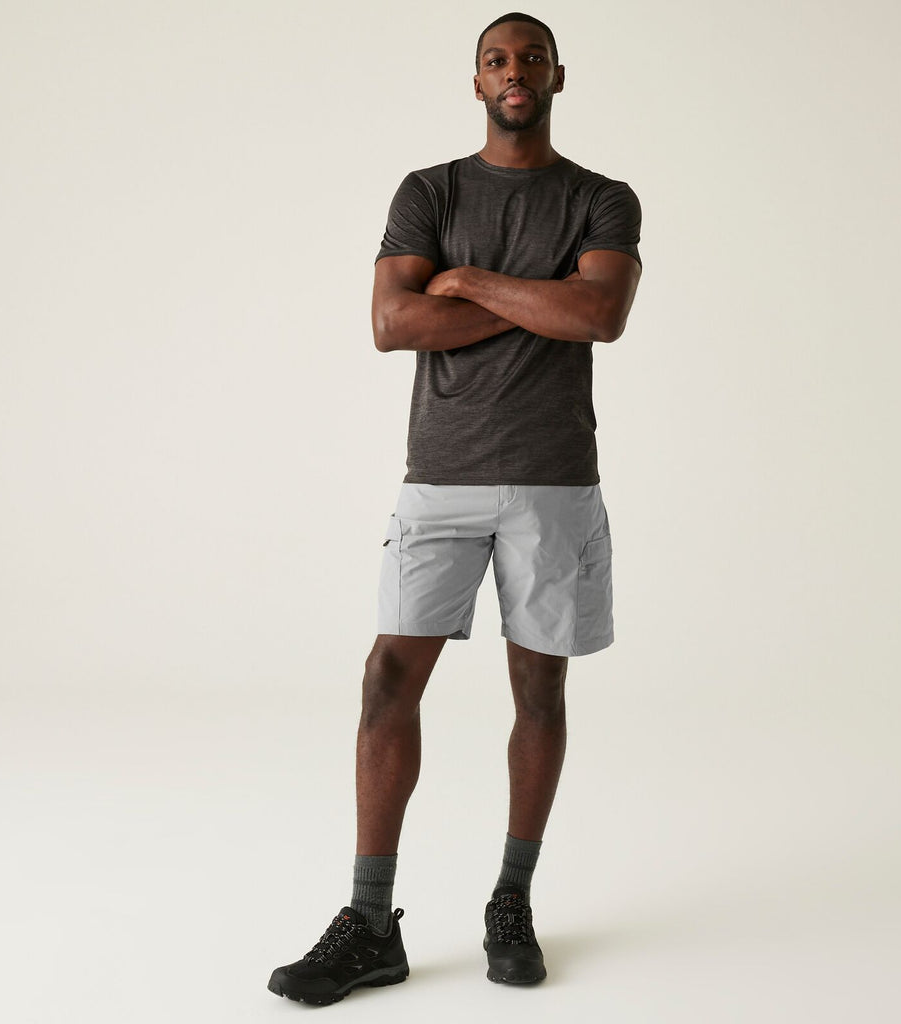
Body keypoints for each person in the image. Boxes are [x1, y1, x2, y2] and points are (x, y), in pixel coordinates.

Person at [268, 11, 641, 1005]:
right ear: (475, 81)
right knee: (387, 678)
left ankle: (511, 900)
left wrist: (469, 280)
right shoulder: (428, 191)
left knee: (539, 691)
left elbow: (598, 314)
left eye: (530, 57)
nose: (514, 71)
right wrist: (539, 298)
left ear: (557, 75)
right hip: (439, 474)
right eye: (495, 60)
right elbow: (394, 322)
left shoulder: (600, 198)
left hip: (553, 477)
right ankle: (369, 922)